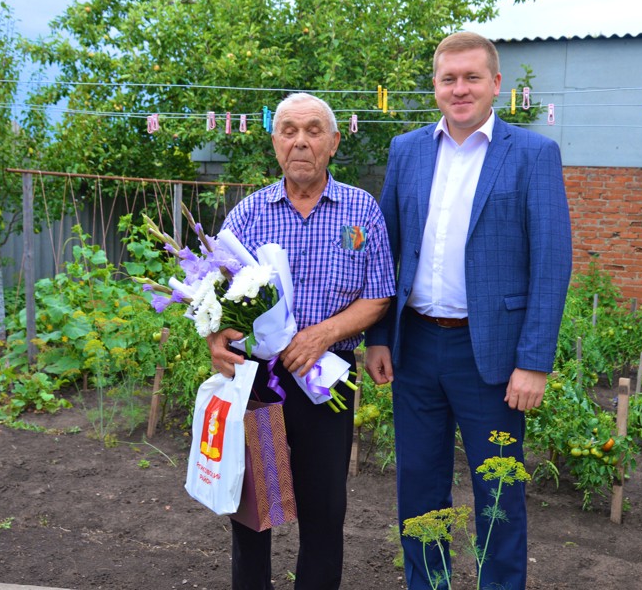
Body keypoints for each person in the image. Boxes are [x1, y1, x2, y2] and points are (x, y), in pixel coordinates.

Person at [365, 31, 573, 590]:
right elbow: (387, 249)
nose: (460, 89)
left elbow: (551, 263)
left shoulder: (532, 154)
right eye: (448, 78)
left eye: (471, 77)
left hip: (494, 358)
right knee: (419, 488)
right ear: (435, 86)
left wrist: (534, 362)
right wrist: (380, 334)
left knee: (498, 494)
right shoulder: (406, 151)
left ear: (496, 85)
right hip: (415, 350)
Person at [207, 92, 395, 590]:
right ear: (275, 143)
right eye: (289, 131)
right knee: (257, 508)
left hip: (325, 381)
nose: (301, 141)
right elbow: (213, 289)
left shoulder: (361, 210)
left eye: (314, 131)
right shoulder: (248, 213)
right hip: (262, 385)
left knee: (323, 508)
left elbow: (378, 297)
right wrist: (216, 336)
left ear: (333, 143)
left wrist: (321, 335)